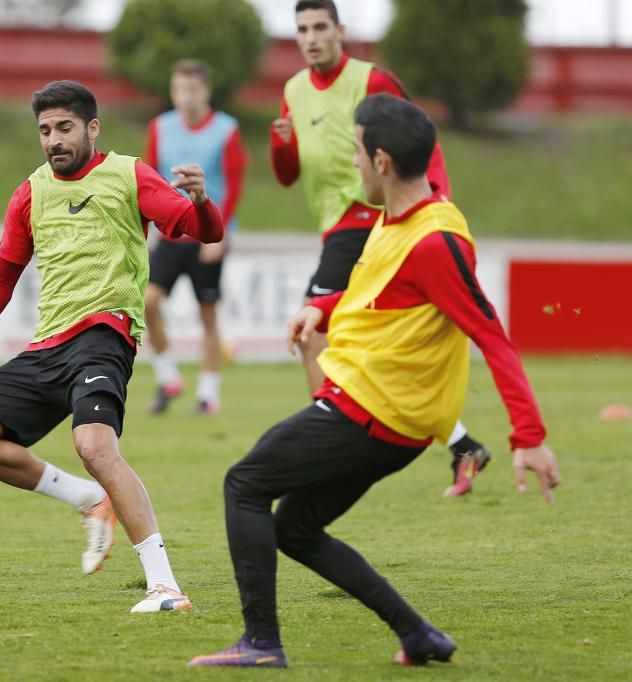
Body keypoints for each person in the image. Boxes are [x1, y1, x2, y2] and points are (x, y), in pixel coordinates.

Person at [189, 94, 561, 669]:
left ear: (382, 161)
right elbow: (384, 293)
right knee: (297, 529)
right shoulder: (403, 216)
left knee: (245, 483)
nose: (353, 166)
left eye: (357, 153)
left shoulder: (436, 240)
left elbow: (493, 337)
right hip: (381, 414)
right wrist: (326, 308)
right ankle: (417, 635)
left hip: (371, 411)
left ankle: (261, 643)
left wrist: (529, 437)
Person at [0, 81, 224, 613]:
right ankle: (88, 499)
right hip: (48, 346)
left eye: (64, 128)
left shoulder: (127, 174)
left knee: (95, 446)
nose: (53, 139)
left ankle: (165, 586)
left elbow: (199, 231)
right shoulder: (29, 194)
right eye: (45, 130)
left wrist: (203, 201)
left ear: (92, 128)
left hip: (104, 336)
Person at [271, 0, 488, 496]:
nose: (310, 37)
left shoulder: (373, 80)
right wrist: (281, 144)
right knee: (361, 340)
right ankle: (462, 446)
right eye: (302, 28)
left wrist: (437, 200)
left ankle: (324, 449)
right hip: (335, 225)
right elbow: (286, 176)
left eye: (319, 27)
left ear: (339, 30)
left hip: (369, 219)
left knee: (313, 329)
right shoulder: (293, 91)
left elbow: (421, 139)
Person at [143, 59, 247, 415]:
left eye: (192, 89)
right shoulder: (160, 126)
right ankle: (168, 375)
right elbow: (152, 178)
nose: (185, 97)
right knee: (147, 303)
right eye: (179, 89)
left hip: (207, 236)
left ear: (206, 91)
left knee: (208, 314)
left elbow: (233, 187)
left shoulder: (226, 129)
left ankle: (207, 393)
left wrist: (221, 234)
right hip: (171, 233)